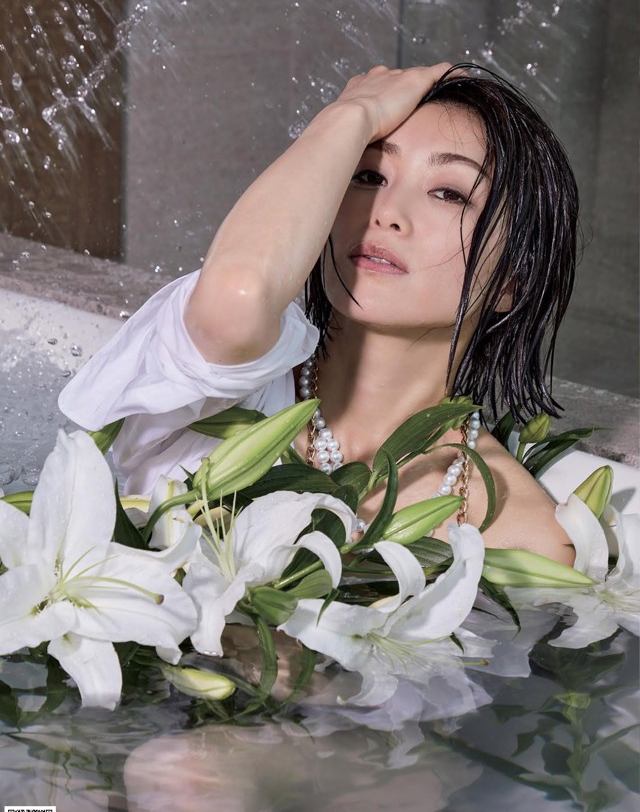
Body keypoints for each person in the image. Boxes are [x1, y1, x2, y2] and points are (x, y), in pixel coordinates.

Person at [59, 62, 579, 564]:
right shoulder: (222, 387)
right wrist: (348, 115)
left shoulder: (525, 535)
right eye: (368, 175)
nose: (386, 214)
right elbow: (237, 297)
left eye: (448, 193)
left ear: (513, 279)